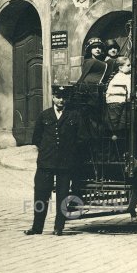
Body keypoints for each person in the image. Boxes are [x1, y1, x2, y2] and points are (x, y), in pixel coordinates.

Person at [25, 86, 83, 236]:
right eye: (58, 97)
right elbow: (37, 138)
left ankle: (59, 227)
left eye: (64, 97)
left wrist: (70, 152)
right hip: (46, 162)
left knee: (62, 196)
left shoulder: (74, 115)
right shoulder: (44, 115)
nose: (61, 100)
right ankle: (37, 227)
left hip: (65, 163)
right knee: (40, 194)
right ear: (53, 97)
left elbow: (80, 138)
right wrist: (46, 150)